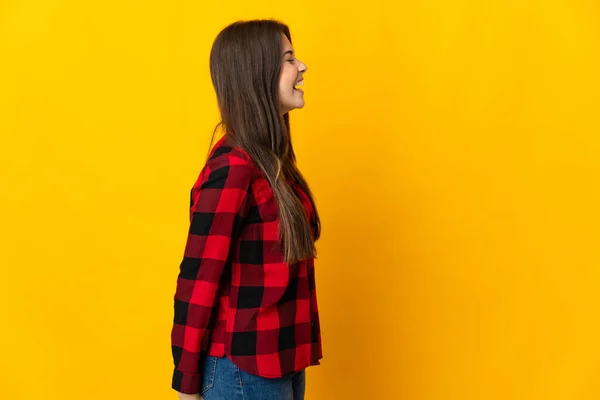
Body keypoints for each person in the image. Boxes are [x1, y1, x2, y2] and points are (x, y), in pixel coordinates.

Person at [171, 19, 323, 400]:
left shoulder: (271, 164)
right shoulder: (233, 169)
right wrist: (187, 385)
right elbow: (198, 279)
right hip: (242, 371)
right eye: (289, 59)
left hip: (280, 361)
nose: (301, 67)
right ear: (259, 73)